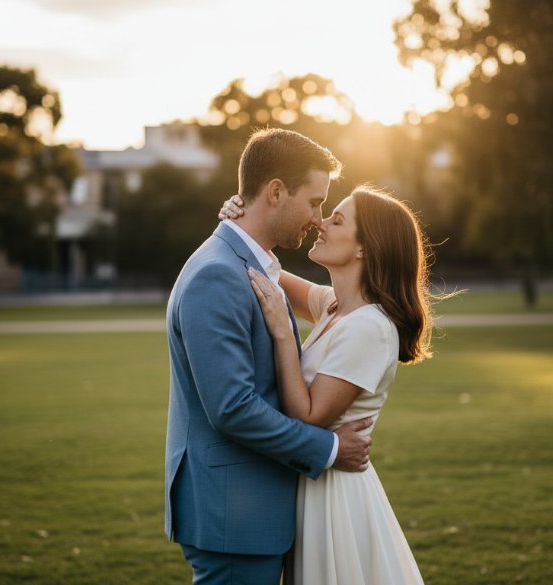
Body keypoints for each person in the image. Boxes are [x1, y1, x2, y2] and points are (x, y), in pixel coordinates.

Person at [164, 128, 374, 585]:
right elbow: (232, 408)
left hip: (248, 511)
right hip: (232, 516)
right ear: (276, 192)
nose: (318, 219)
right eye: (315, 203)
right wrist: (330, 448)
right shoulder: (218, 275)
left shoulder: (251, 265)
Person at [219, 184, 433, 585]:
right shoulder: (335, 307)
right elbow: (262, 270)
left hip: (335, 497)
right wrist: (243, 220)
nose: (321, 223)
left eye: (337, 220)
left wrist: (284, 333)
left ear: (364, 248)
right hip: (314, 479)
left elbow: (309, 416)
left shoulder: (369, 327)